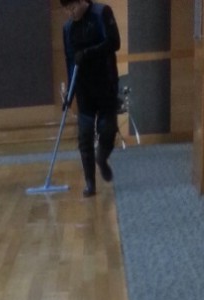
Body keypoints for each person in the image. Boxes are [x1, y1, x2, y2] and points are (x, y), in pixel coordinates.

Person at [61, 0, 122, 199]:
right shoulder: (68, 28)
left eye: (72, 7)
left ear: (82, 2)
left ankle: (102, 158)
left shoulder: (101, 13)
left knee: (108, 130)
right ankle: (90, 183)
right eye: (66, 9)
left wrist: (88, 53)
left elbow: (114, 42)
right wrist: (69, 95)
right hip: (84, 89)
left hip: (106, 84)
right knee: (84, 137)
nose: (71, 13)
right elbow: (70, 62)